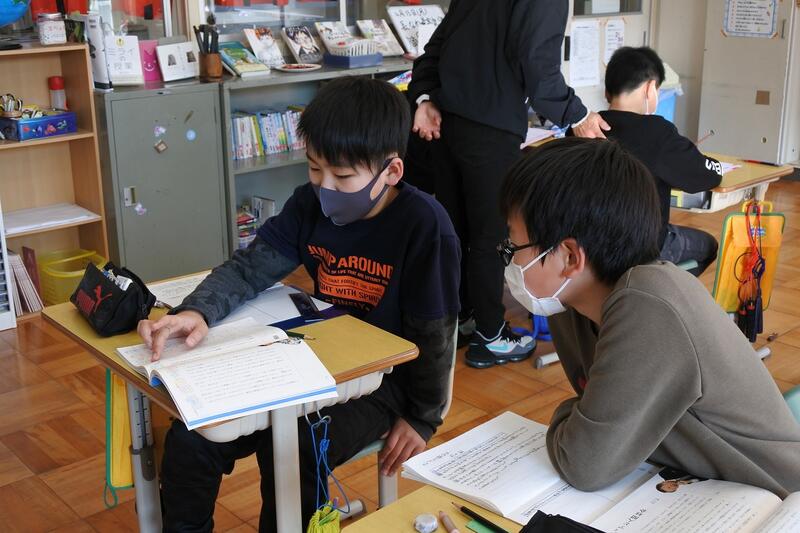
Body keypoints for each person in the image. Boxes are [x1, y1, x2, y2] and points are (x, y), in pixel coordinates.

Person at [137, 76, 460, 532]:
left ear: (391, 172)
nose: (325, 186)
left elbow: (435, 330)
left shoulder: (425, 225)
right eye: (314, 168)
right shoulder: (308, 204)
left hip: (386, 382)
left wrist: (422, 417)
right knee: (193, 437)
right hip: (313, 362)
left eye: (342, 177)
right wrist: (195, 311)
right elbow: (250, 269)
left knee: (295, 447)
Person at [499, 138, 800, 497]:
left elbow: (584, 463)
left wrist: (578, 415)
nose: (508, 259)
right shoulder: (570, 306)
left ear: (570, 257)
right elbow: (601, 437)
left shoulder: (647, 302)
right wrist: (590, 420)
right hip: (701, 487)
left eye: (512, 245)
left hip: (774, 499)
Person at [407, 0, 610, 369]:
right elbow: (538, 67)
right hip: (490, 129)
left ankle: (461, 320)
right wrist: (578, 115)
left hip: (446, 125)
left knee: (456, 230)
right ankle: (491, 335)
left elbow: (434, 50)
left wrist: (423, 98)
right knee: (490, 237)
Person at [597, 46, 723, 276]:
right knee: (708, 246)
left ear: (607, 92)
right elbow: (707, 175)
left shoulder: (586, 127)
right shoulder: (657, 132)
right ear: (649, 88)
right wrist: (702, 159)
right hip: (644, 245)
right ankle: (659, 289)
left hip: (591, 243)